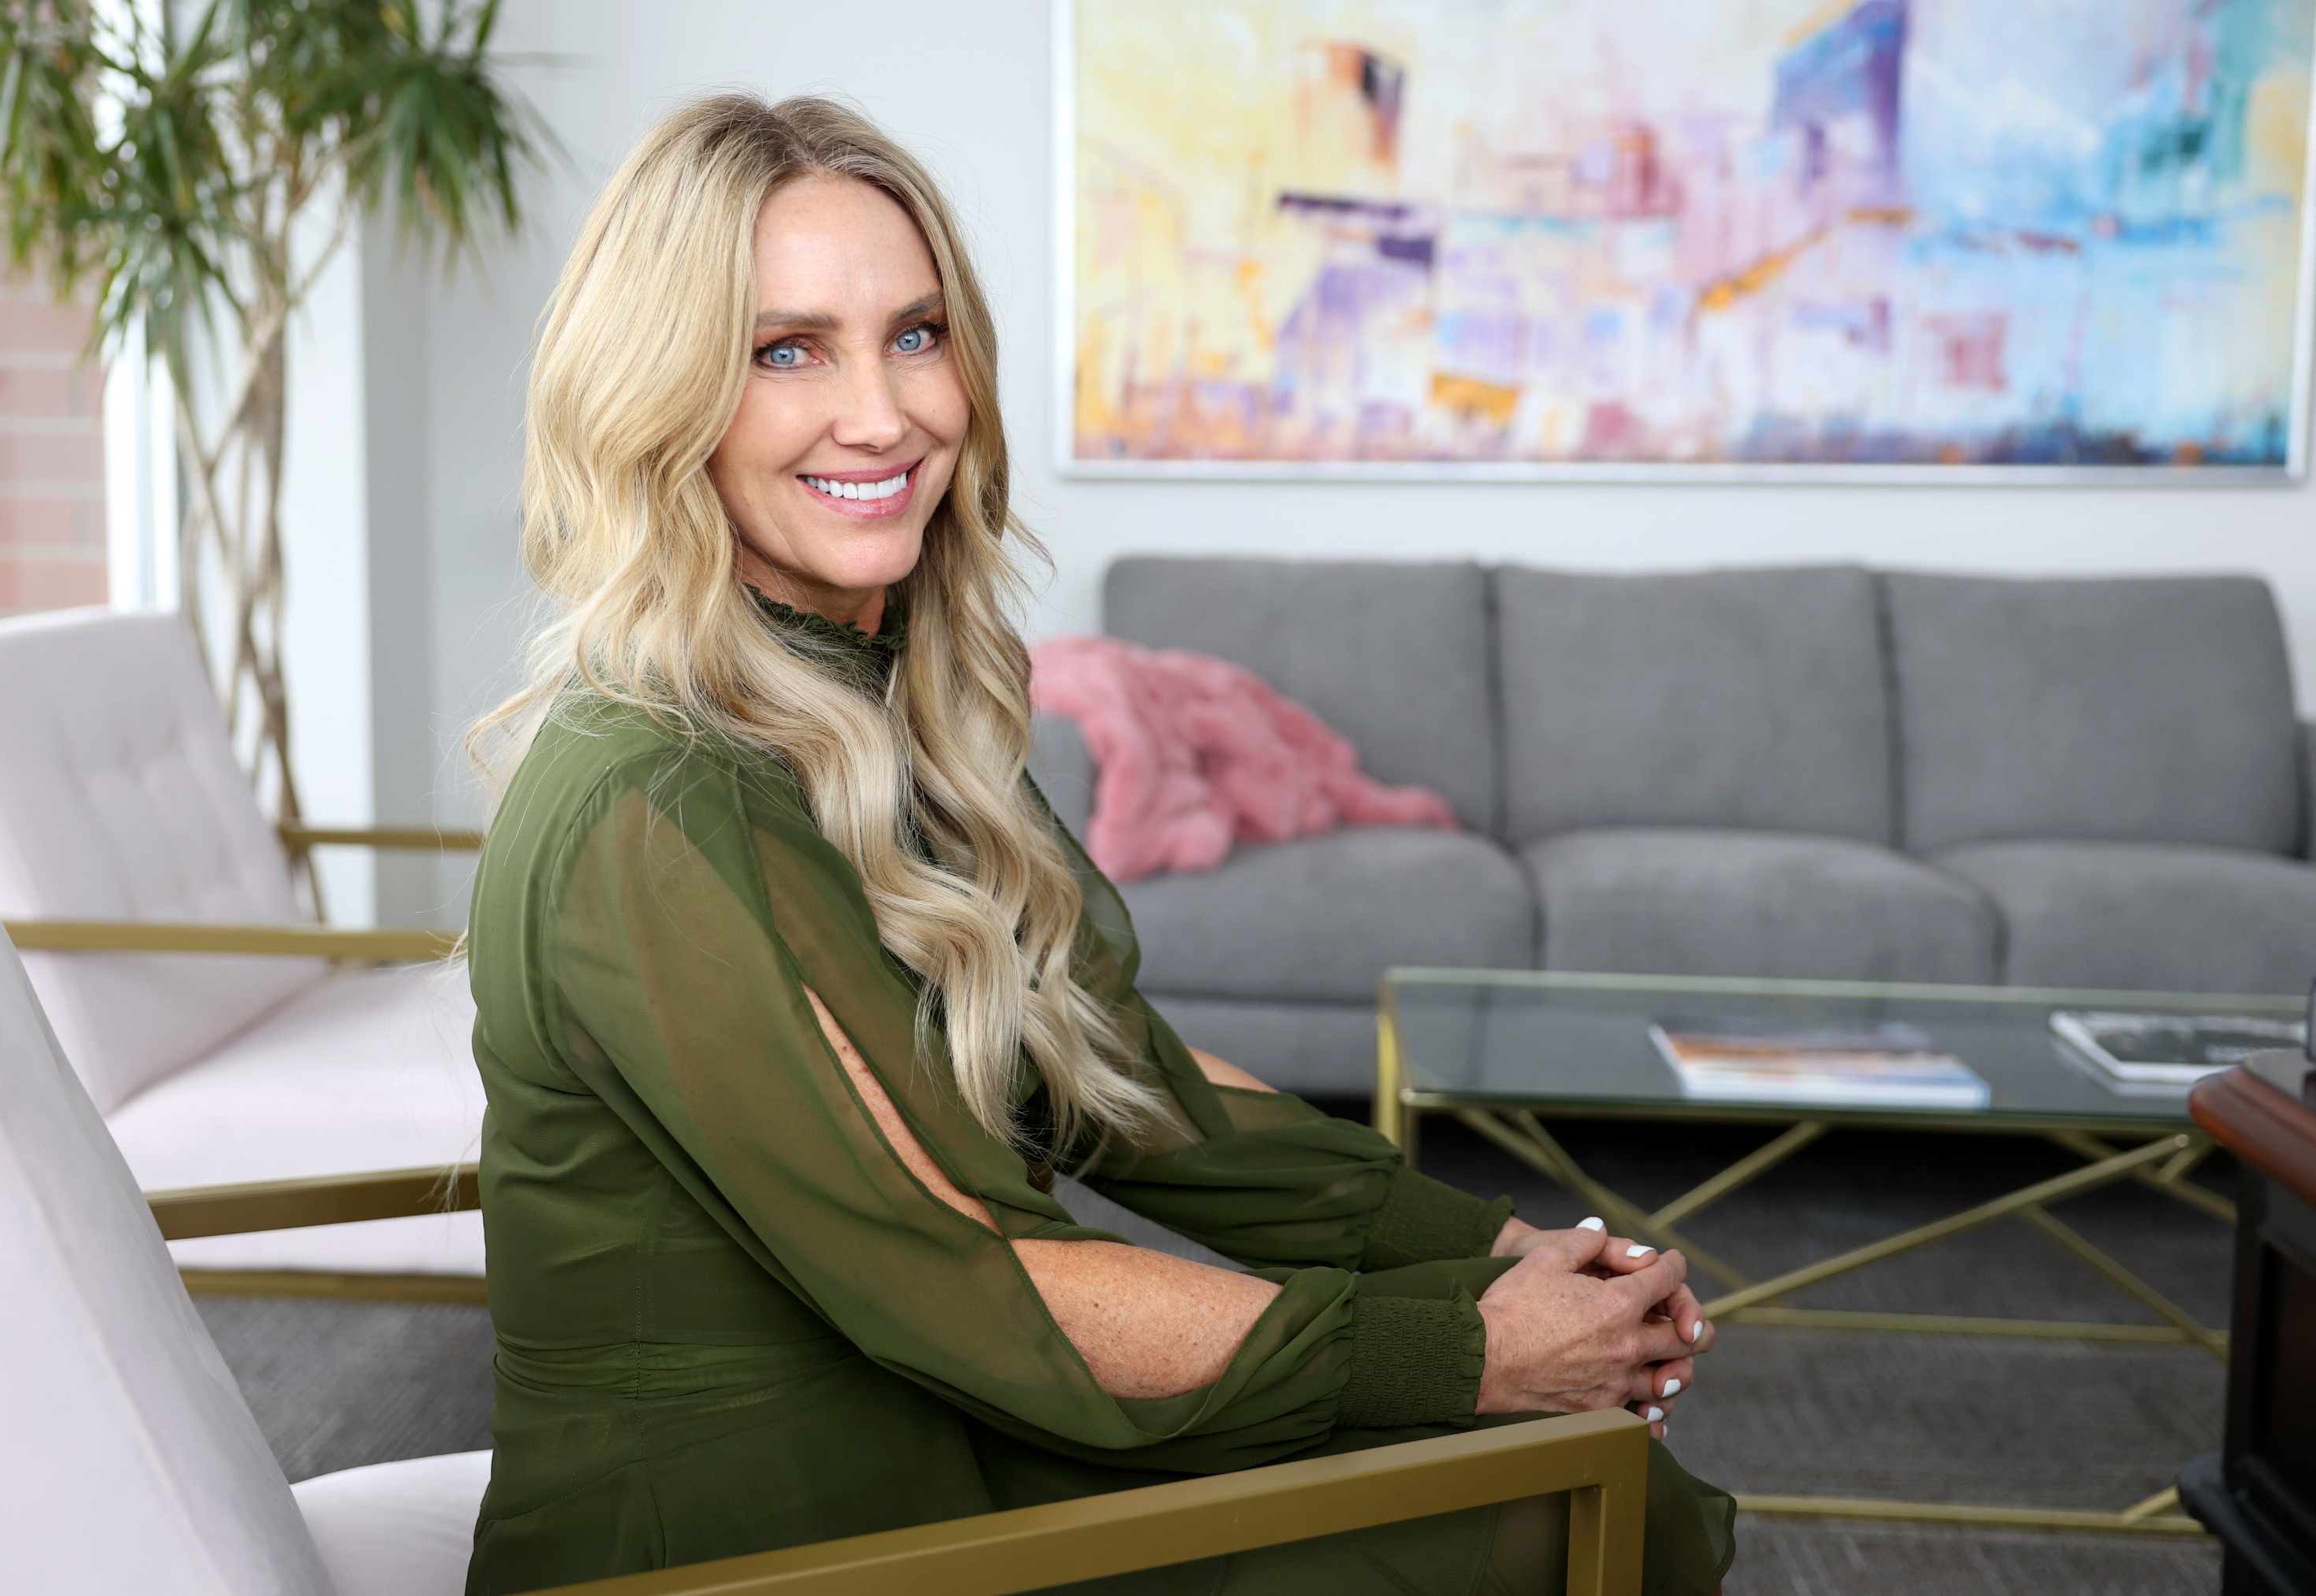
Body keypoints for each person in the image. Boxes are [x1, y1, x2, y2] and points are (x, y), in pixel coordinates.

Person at [461, 92, 1737, 1596]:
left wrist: (1497, 1249)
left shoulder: (881, 717)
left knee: (1577, 1482)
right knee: (1560, 1506)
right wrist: (1463, 1349)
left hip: (934, 1404)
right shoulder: (657, 800)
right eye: (783, 349)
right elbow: (972, 1286)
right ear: (659, 394)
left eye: (917, 335)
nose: (884, 414)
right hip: (757, 1529)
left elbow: (1132, 1095)